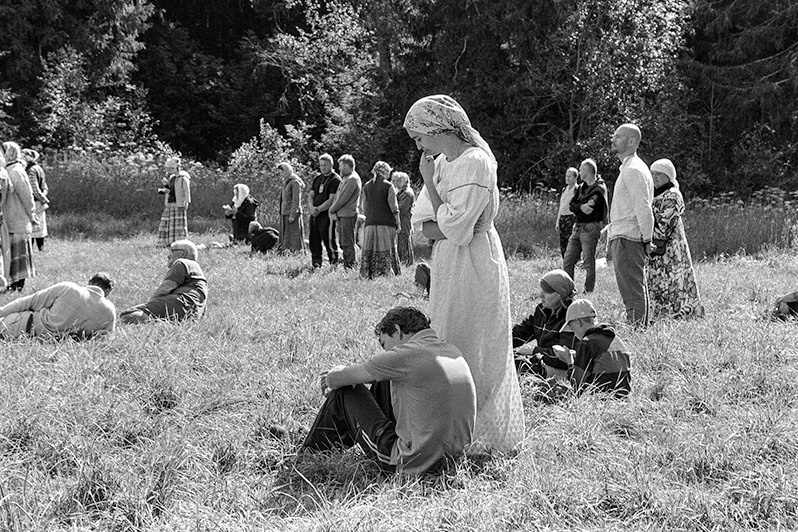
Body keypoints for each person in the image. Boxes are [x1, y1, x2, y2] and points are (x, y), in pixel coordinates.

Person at [405, 94, 524, 453]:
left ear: (437, 128)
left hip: (475, 260)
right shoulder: (441, 163)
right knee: (448, 334)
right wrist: (440, 210)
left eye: (419, 136)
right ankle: (451, 429)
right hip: (449, 261)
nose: (419, 145)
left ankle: (482, 438)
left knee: (476, 341)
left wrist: (433, 193)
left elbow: (457, 229)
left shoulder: (474, 161)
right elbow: (421, 223)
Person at [302, 307, 476, 475]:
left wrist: (334, 372)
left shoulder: (404, 355)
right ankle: (329, 437)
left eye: (385, 344)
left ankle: (307, 453)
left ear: (397, 330)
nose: (386, 351)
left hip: (408, 462)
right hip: (452, 461)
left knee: (346, 392)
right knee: (384, 381)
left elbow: (337, 379)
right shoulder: (449, 350)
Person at [605, 124, 654, 327]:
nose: (613, 140)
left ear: (632, 141)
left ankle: (637, 330)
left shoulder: (634, 169)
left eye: (618, 136)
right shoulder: (629, 167)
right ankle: (640, 327)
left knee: (632, 290)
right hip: (624, 236)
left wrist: (647, 239)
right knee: (634, 287)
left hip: (628, 238)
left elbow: (643, 209)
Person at [647, 159, 704, 319]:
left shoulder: (673, 195)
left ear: (668, 176)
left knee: (675, 282)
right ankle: (659, 315)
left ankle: (680, 316)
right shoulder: (653, 195)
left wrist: (644, 231)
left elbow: (664, 225)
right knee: (658, 283)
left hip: (672, 250)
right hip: (656, 250)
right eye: (652, 174)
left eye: (659, 174)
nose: (654, 177)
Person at [0, 273, 115, 339]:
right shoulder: (109, 310)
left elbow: (28, 302)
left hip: (21, 327)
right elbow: (107, 337)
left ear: (89, 282)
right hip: (53, 342)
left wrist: (2, 311)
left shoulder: (69, 288)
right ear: (108, 290)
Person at [557, 299, 632, 398]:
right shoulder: (617, 339)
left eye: (571, 326)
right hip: (623, 400)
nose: (572, 332)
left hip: (600, 402)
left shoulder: (586, 343)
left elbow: (577, 386)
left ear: (579, 322)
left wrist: (569, 361)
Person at [120, 240, 207, 324]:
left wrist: (150, 306)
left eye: (172, 251)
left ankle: (149, 323)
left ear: (182, 253)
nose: (168, 256)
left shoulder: (181, 262)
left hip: (180, 303)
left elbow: (165, 288)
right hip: (192, 315)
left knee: (128, 314)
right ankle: (157, 322)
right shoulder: (198, 271)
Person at [512, 269, 578, 378]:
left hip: (563, 370)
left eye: (546, 292)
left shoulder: (572, 317)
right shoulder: (542, 311)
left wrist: (534, 351)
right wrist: (500, 343)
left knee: (520, 366)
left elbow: (564, 357)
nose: (541, 295)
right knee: (508, 361)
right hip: (543, 362)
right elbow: (521, 332)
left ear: (559, 294)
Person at [563, 158, 609, 293]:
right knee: (568, 260)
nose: (579, 172)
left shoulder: (599, 189)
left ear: (588, 171)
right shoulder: (581, 188)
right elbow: (572, 205)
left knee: (588, 263)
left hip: (590, 228)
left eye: (581, 169)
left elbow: (590, 209)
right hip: (577, 227)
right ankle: (568, 290)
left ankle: (588, 291)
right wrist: (580, 206)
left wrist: (581, 207)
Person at [2, 142, 38, 292]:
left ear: (9, 153)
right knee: (9, 254)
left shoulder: (16, 171)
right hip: (8, 220)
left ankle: (18, 287)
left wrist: (32, 215)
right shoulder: (7, 170)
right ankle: (10, 284)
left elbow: (27, 196)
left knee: (19, 255)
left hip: (18, 219)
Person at [359, 161, 401, 279]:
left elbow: (364, 207)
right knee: (386, 248)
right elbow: (394, 207)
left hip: (370, 224)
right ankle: (386, 273)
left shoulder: (367, 186)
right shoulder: (388, 186)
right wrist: (398, 222)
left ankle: (369, 274)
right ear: (385, 172)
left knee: (370, 249)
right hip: (386, 224)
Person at [307, 154, 342, 268]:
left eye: (325, 165)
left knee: (329, 240)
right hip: (315, 214)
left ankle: (334, 264)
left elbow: (332, 199)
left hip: (326, 214)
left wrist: (319, 209)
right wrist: (312, 208)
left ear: (331, 164)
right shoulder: (318, 178)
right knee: (314, 240)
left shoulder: (335, 179)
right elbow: (311, 195)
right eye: (321, 165)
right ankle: (316, 264)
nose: (322, 167)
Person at [328, 154, 362, 270]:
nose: (339, 169)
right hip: (342, 215)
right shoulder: (346, 178)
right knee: (343, 242)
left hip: (348, 215)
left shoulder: (352, 179)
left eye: (341, 166)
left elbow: (343, 198)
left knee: (347, 242)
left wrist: (331, 209)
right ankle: (348, 264)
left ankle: (350, 266)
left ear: (347, 166)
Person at [156, 156, 191, 248]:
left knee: (178, 224)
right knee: (167, 222)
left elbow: (186, 190)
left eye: (171, 168)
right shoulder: (172, 177)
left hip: (179, 203)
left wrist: (187, 202)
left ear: (177, 167)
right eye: (168, 168)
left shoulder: (183, 177)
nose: (169, 170)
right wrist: (166, 186)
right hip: (170, 203)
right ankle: (167, 242)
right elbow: (171, 189)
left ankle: (178, 243)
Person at [22, 149, 49, 251]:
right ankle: (40, 248)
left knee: (33, 227)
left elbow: (34, 189)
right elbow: (45, 186)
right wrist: (44, 197)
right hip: (40, 200)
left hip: (35, 201)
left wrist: (43, 200)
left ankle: (33, 249)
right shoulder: (38, 168)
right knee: (40, 227)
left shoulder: (31, 170)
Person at [277, 162, 305, 253]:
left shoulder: (294, 182)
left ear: (287, 171)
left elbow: (296, 200)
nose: (280, 174)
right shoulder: (285, 182)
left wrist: (292, 215)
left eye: (282, 172)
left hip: (292, 213)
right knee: (285, 235)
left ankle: (296, 253)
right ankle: (285, 252)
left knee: (294, 235)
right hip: (285, 212)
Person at [392, 171, 415, 267]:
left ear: (403, 181)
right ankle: (403, 262)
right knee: (400, 240)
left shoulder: (407, 193)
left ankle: (405, 262)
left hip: (404, 221)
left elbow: (402, 208)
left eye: (397, 180)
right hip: (401, 220)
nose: (395, 183)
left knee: (404, 241)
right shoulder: (401, 192)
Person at [554, 167, 578, 257]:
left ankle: (574, 261)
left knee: (571, 242)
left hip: (571, 218)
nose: (567, 178)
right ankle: (565, 262)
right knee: (563, 242)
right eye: (566, 176)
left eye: (570, 176)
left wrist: (576, 222)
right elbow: (561, 206)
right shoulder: (564, 189)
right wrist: (557, 221)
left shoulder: (577, 190)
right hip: (562, 219)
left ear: (575, 178)